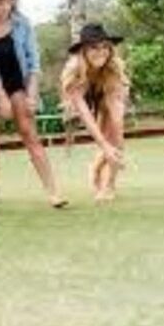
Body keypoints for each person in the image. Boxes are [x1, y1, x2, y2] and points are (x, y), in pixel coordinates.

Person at [0, 0, 66, 208]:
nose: (5, 1)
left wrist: (32, 95)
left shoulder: (23, 24)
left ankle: (53, 192)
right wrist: (0, 97)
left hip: (16, 84)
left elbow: (33, 65)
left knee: (30, 135)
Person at [60, 23, 129, 203]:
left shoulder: (113, 67)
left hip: (107, 89)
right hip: (83, 92)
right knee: (103, 140)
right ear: (83, 51)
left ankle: (109, 184)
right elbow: (85, 116)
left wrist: (115, 145)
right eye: (94, 48)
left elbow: (116, 115)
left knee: (116, 128)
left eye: (105, 46)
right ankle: (96, 169)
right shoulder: (73, 71)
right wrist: (105, 146)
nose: (101, 52)